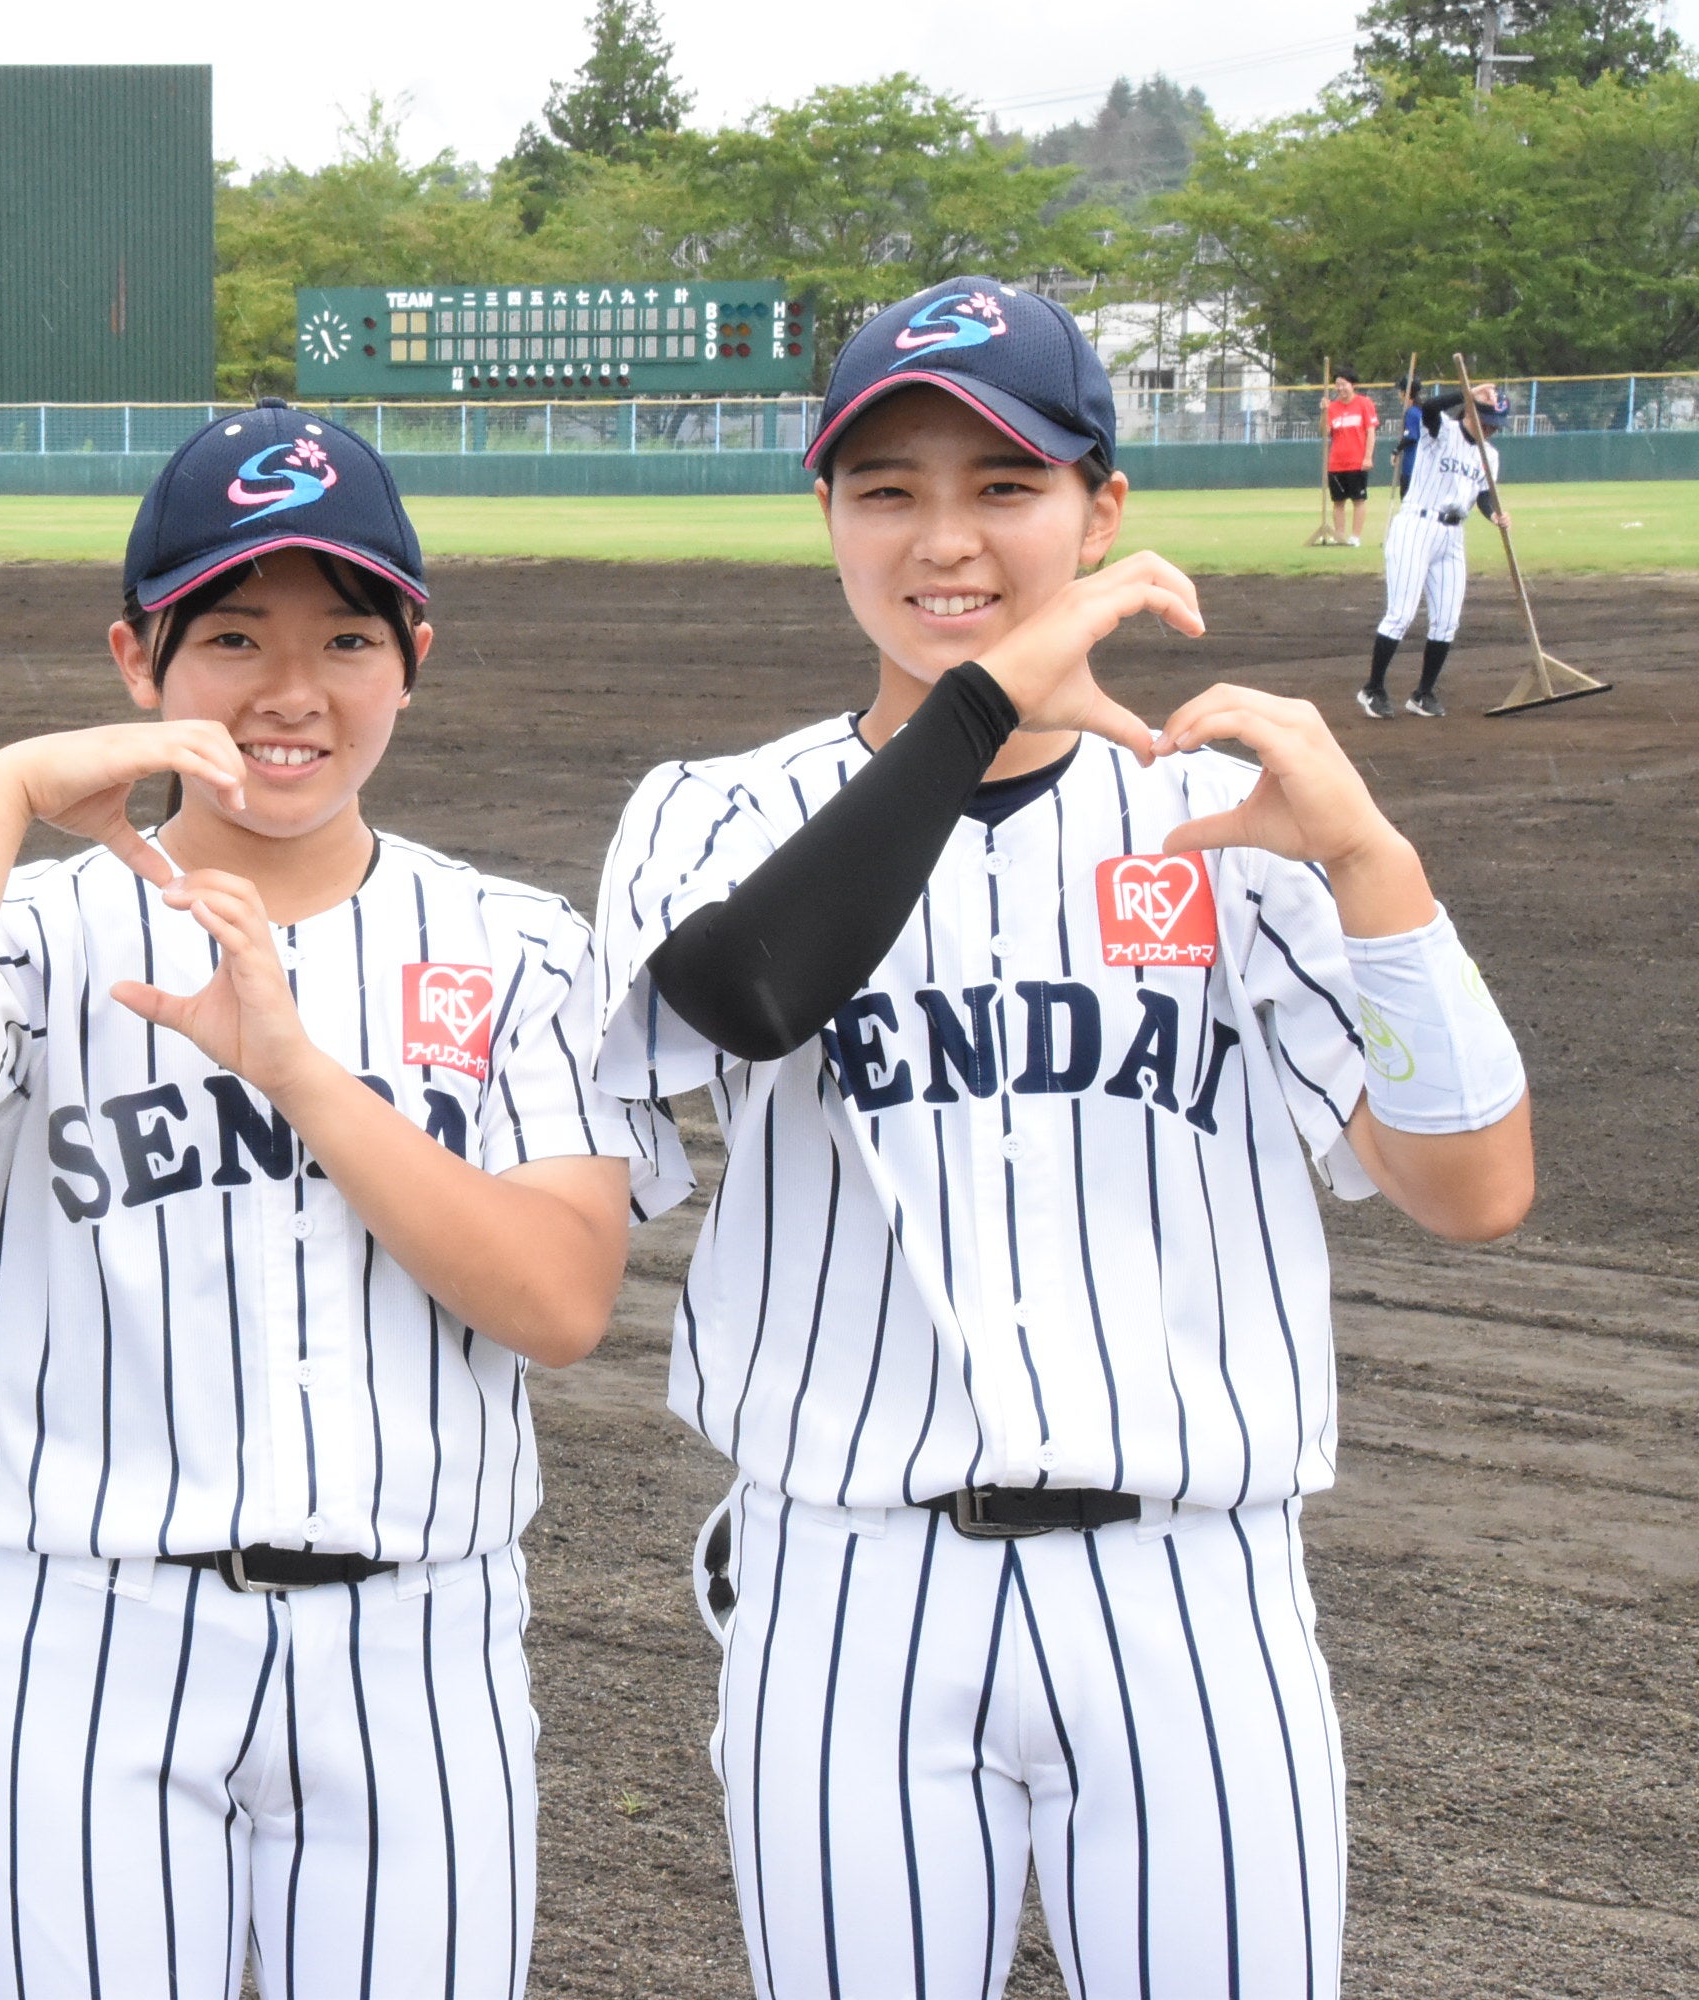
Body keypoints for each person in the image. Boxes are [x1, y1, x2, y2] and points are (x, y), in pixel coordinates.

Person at [590, 276, 1536, 2000]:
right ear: (824, 515)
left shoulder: (1221, 813)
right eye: (885, 489)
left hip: (1191, 1592)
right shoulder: (712, 811)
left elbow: (1473, 1186)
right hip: (849, 1580)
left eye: (1002, 486)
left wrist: (1375, 871)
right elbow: (747, 989)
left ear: (1102, 513)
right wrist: (981, 699)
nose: (941, 536)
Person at [0, 400, 680, 2000]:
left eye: (347, 636)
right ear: (139, 663)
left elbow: (559, 1305)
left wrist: (301, 1073)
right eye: (231, 637)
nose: (292, 692)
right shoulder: (42, 930)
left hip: (417, 1650)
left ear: (413, 651)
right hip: (91, 1639)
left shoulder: (513, 945)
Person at [1362, 380, 1508, 720]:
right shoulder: (1441, 429)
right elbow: (1426, 408)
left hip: (1453, 535)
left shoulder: (1491, 456)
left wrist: (1495, 515)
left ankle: (1423, 694)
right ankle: (1373, 688)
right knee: (1401, 614)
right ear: (1471, 413)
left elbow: (1484, 495)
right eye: (1486, 422)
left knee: (1446, 621)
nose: (1491, 431)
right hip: (1416, 525)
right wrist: (1468, 394)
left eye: (1495, 426)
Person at [1321, 367, 1375, 546]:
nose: (1340, 388)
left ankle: (1355, 537)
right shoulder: (1332, 407)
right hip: (1336, 463)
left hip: (1356, 462)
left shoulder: (1364, 403)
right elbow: (1324, 432)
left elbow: (1370, 431)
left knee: (1358, 500)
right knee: (1338, 502)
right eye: (1337, 385)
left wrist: (1368, 457)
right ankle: (1340, 536)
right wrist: (1324, 411)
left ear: (1353, 385)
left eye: (1344, 384)